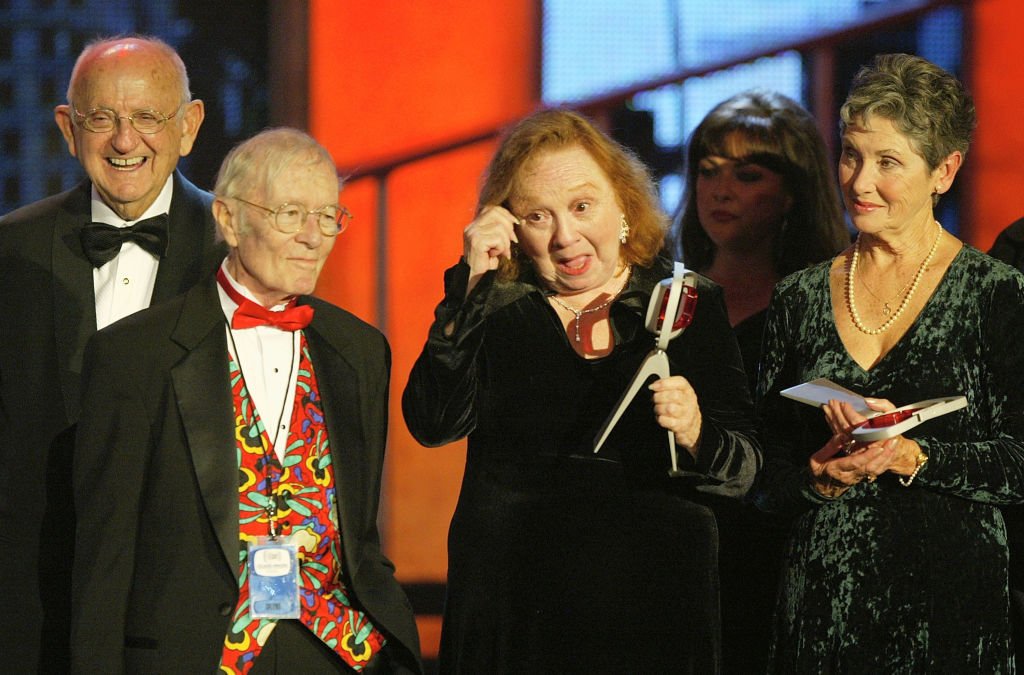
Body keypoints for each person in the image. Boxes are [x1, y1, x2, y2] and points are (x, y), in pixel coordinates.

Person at [402, 108, 760, 673]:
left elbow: (746, 470)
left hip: (650, 612)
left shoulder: (685, 301)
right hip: (515, 614)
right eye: (538, 216)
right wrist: (468, 285)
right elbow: (432, 422)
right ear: (510, 226)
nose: (566, 237)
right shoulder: (492, 307)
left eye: (582, 206)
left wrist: (696, 432)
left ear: (623, 204)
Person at [70, 128, 423, 673]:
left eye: (329, 216)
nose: (314, 236)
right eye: (291, 213)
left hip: (339, 651)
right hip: (203, 654)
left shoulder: (360, 351)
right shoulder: (134, 356)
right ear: (229, 220)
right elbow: (104, 563)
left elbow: (359, 536)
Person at [754, 53, 1024, 672]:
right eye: (851, 155)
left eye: (888, 163)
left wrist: (912, 455)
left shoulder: (997, 293)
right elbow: (762, 462)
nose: (859, 181)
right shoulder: (797, 296)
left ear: (944, 170)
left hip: (948, 615)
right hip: (819, 611)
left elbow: (1020, 460)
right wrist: (812, 478)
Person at [0, 35, 222, 672]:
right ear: (69, 129)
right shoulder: (10, 252)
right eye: (102, 119)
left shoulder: (237, 251)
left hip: (185, 602)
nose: (125, 141)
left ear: (189, 126)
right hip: (37, 603)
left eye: (148, 117)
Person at [675, 89, 848, 673]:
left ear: (793, 193)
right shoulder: (667, 301)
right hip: (673, 557)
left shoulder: (825, 308)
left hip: (777, 562)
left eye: (747, 175)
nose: (719, 190)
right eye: (707, 171)